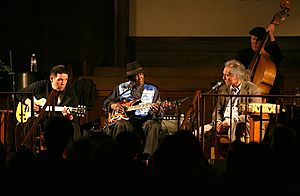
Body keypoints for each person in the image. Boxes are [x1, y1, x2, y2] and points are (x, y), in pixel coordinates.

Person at [103, 60, 164, 161]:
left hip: (145, 119)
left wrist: (157, 111)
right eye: (136, 75)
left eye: (141, 74)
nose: (140, 78)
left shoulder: (152, 90)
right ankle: (117, 157)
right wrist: (113, 105)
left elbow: (160, 113)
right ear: (131, 78)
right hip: (127, 120)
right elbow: (106, 102)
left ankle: (148, 158)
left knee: (154, 125)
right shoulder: (121, 88)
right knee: (119, 124)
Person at [17, 65, 81, 145]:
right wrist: (30, 103)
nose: (63, 83)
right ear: (51, 78)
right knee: (30, 123)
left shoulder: (70, 91)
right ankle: (28, 150)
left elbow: (74, 113)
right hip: (43, 121)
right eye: (60, 79)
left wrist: (69, 116)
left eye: (66, 80)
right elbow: (20, 93)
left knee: (74, 126)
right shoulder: (42, 85)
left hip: (59, 120)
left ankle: (72, 153)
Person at [212, 59, 262, 142]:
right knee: (198, 133)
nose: (224, 78)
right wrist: (217, 122)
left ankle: (235, 153)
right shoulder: (222, 89)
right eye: (224, 75)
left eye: (227, 75)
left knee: (235, 128)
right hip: (222, 123)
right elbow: (217, 111)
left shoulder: (253, 89)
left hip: (239, 122)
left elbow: (254, 114)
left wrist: (233, 120)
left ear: (237, 75)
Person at [235, 25, 284, 95]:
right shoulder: (243, 53)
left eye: (258, 40)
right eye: (253, 39)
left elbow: (279, 58)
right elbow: (236, 70)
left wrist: (271, 37)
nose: (254, 42)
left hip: (270, 94)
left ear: (264, 41)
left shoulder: (270, 52)